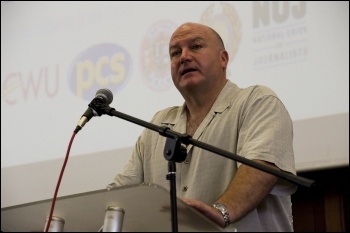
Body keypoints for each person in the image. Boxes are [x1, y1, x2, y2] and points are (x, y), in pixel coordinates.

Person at [109, 22, 297, 232]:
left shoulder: (257, 101)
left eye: (196, 46)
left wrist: (222, 211)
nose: (184, 57)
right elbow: (119, 195)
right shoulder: (158, 125)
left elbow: (262, 166)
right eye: (175, 53)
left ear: (223, 59)